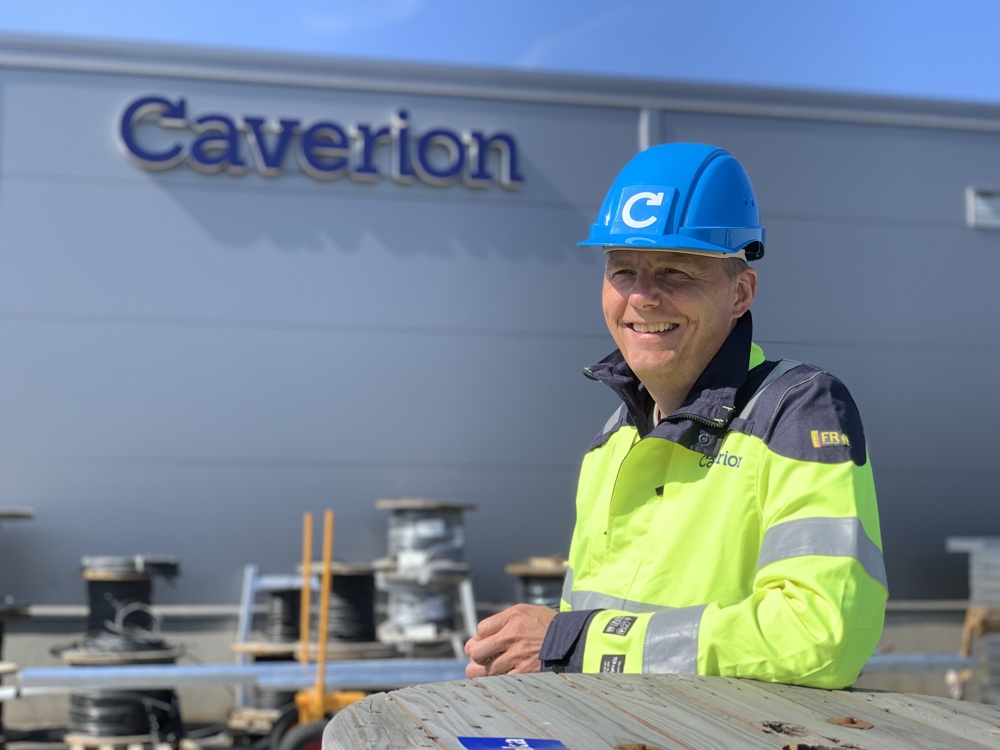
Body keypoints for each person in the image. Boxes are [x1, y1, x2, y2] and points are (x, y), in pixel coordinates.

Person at [464, 142, 887, 689]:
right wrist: (533, 662)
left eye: (674, 272)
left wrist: (577, 642)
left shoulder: (797, 412)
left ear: (741, 293)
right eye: (623, 271)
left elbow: (821, 637)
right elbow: (583, 645)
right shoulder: (610, 443)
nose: (642, 297)